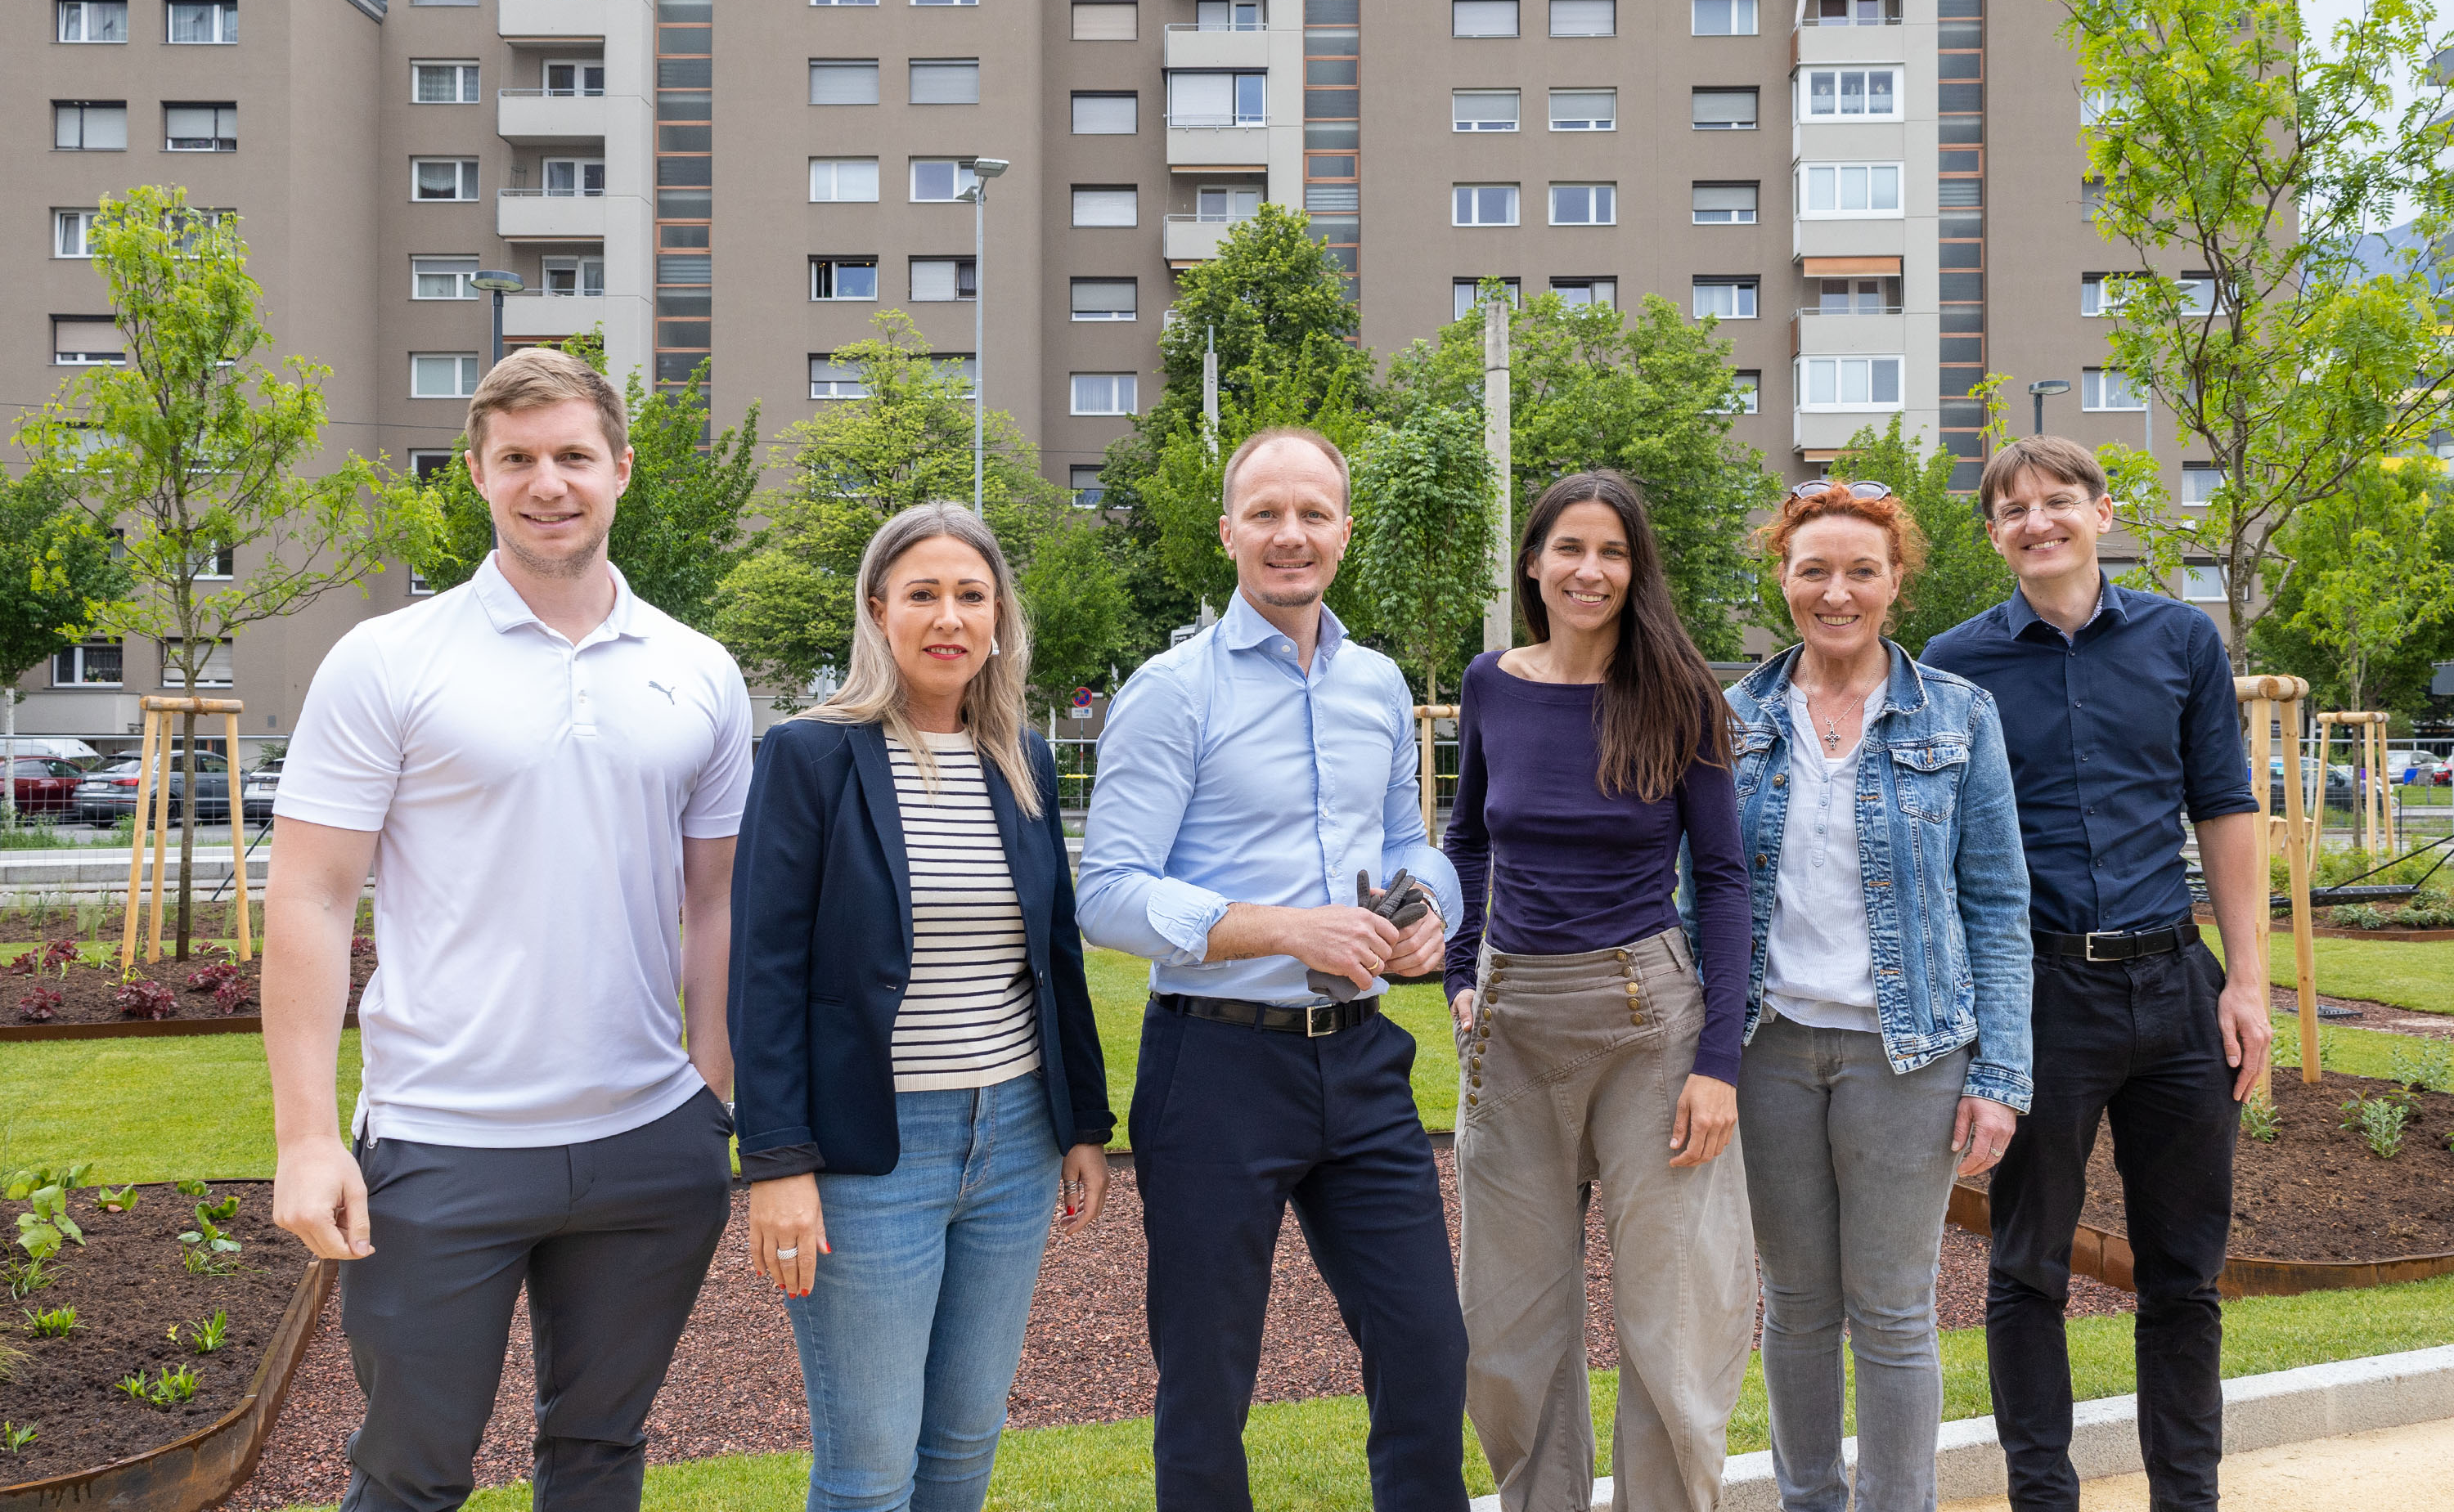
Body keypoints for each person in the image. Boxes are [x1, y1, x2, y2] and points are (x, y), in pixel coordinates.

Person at [262, 347, 753, 1511]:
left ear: (621, 470)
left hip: (649, 1146)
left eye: (575, 456)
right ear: (476, 475)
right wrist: (305, 1138)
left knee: (599, 1458)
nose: (550, 483)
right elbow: (313, 897)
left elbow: (720, 898)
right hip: (443, 1144)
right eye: (519, 459)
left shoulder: (701, 671)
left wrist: (711, 1094)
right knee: (409, 1475)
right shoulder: (387, 661)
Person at [1077, 425, 1469, 1511]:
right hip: (1214, 1073)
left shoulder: (1382, 686)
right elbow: (1107, 890)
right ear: (1228, 534)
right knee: (1208, 1387)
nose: (1289, 535)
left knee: (1430, 1356)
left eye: (1311, 514)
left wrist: (1431, 900)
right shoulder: (1170, 690)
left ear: (1345, 530)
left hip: (1362, 1066)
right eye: (1265, 514)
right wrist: (1284, 929)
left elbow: (1407, 838)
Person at [728, 500, 1114, 1512]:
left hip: (1015, 1143)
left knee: (962, 1443)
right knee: (867, 1467)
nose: (949, 617)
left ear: (998, 618)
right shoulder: (809, 756)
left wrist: (1081, 1124)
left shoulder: (1019, 757)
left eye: (971, 595)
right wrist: (777, 1163)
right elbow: (764, 970)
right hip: (871, 1155)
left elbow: (1054, 953)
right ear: (877, 610)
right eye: (924, 594)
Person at [1924, 437, 2267, 1512]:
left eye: (2058, 501)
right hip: (2037, 1000)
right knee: (2027, 1267)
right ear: (1993, 534)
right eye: (2013, 509)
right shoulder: (1953, 665)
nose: (2038, 521)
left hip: (2177, 992)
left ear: (2102, 512)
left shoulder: (2181, 640)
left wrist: (2247, 983)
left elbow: (2223, 808)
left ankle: (2188, 1500)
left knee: (2184, 1276)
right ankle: (2044, 1500)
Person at [1442, 469, 1755, 1512]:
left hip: (1651, 1027)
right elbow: (1471, 839)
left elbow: (1722, 877)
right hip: (1513, 1025)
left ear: (1636, 568)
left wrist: (1718, 1064)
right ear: (1534, 562)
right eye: (1570, 548)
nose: (1590, 569)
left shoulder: (1681, 695)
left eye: (1612, 552)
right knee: (1508, 1324)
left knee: (1673, 1320)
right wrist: (1461, 970)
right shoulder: (1491, 682)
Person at [1728, 480, 2032, 1512]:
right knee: (1797, 1304)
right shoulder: (1731, 718)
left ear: (1897, 582)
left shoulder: (1959, 713)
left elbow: (1995, 900)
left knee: (1895, 1309)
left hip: (1912, 1055)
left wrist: (2001, 1076)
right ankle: (1808, 1501)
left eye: (1862, 569)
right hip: (1767, 1046)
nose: (1837, 590)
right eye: (1814, 568)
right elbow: (1700, 895)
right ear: (1783, 577)